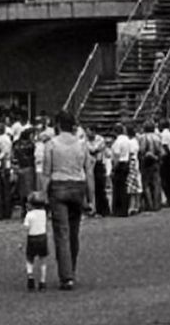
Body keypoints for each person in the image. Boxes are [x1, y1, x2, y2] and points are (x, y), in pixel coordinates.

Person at [42, 113, 94, 291]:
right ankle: (72, 268)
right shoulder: (82, 145)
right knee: (74, 232)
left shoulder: (51, 144)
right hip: (78, 186)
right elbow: (89, 172)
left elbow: (46, 173)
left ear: (58, 125)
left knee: (61, 233)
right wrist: (91, 198)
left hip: (58, 185)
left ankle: (66, 276)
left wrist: (43, 194)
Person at [22, 191, 50, 292]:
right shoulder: (43, 213)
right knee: (43, 259)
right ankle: (42, 281)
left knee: (29, 258)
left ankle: (30, 276)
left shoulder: (29, 215)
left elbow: (26, 228)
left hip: (32, 238)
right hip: (42, 237)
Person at [11, 127, 37, 215]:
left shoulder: (16, 144)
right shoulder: (31, 145)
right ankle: (29, 208)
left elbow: (13, 156)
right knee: (29, 190)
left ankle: (23, 208)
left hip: (19, 168)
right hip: (29, 168)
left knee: (21, 191)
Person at [109, 123, 133, 217]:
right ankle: (124, 209)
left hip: (119, 165)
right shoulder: (128, 140)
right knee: (124, 188)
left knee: (117, 189)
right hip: (126, 163)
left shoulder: (117, 142)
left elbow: (116, 156)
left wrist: (113, 169)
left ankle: (117, 210)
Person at [138, 122, 163, 213]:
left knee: (146, 184)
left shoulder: (142, 137)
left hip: (145, 162)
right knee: (156, 183)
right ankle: (157, 204)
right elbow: (161, 151)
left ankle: (149, 204)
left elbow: (141, 150)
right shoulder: (157, 137)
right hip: (155, 161)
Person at [85, 127, 109, 216]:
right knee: (91, 189)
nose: (87, 134)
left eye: (88, 132)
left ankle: (103, 210)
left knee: (100, 187)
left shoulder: (100, 139)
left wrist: (91, 150)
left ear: (93, 132)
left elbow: (94, 149)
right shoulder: (85, 140)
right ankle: (93, 208)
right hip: (89, 165)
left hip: (99, 164)